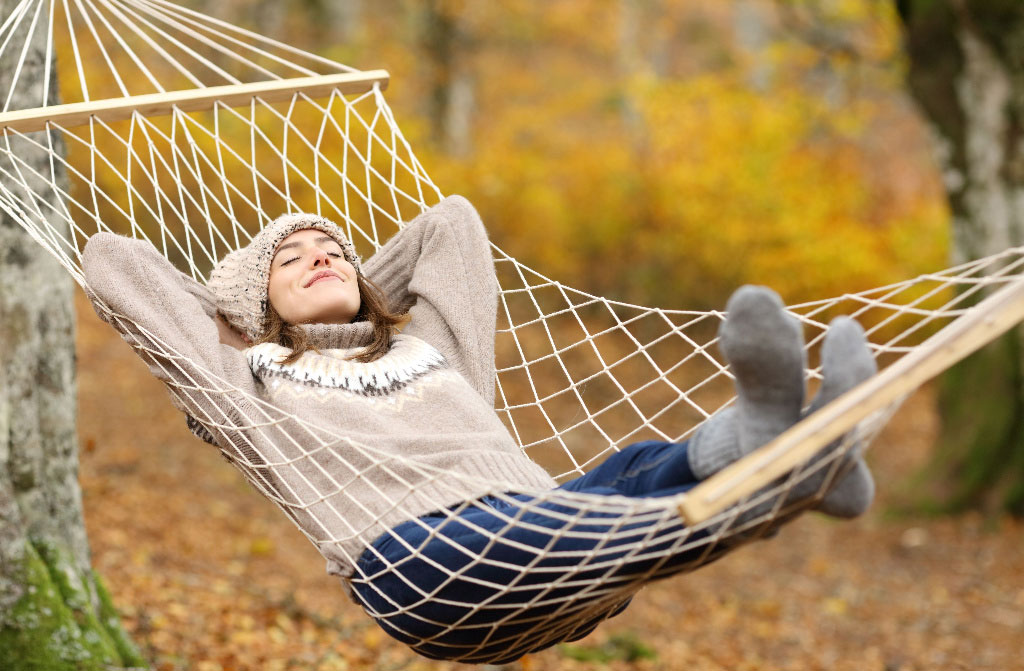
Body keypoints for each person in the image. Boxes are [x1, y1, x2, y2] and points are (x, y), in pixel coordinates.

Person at [83, 196, 877, 664]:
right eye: (293, 260)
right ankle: (786, 477)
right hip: (420, 564)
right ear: (254, 305)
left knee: (633, 465)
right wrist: (246, 317)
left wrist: (348, 289)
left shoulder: (435, 342)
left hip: (546, 538)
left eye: (335, 250)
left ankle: (772, 436)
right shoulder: (241, 383)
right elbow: (114, 261)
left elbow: (449, 224)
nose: (322, 256)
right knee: (558, 519)